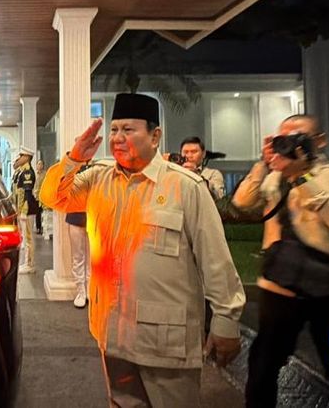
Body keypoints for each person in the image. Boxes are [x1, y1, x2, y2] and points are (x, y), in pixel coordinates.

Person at [40, 93, 245, 408]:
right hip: (112, 333)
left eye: (128, 130)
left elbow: (215, 258)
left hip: (165, 341)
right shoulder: (98, 179)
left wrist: (226, 321)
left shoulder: (185, 187)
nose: (117, 138)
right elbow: (52, 196)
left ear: (155, 135)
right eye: (114, 130)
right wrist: (73, 159)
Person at [232, 114, 329, 408]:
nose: (291, 142)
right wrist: (264, 163)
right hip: (279, 285)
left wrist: (302, 176)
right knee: (263, 367)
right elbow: (242, 203)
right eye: (285, 136)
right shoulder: (275, 174)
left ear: (319, 141)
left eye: (299, 136)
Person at [12, 146, 38, 274]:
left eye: (22, 156)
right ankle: (27, 262)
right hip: (22, 209)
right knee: (26, 237)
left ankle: (30, 264)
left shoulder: (28, 172)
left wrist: (24, 210)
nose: (19, 158)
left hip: (27, 209)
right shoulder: (21, 171)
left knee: (28, 238)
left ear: (27, 157)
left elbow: (27, 193)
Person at [34, 158, 46, 234]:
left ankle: (43, 228)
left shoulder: (45, 174)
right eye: (38, 164)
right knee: (37, 213)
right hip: (36, 196)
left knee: (43, 212)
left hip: (43, 196)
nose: (39, 165)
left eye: (41, 164)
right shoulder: (34, 174)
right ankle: (38, 228)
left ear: (43, 165)